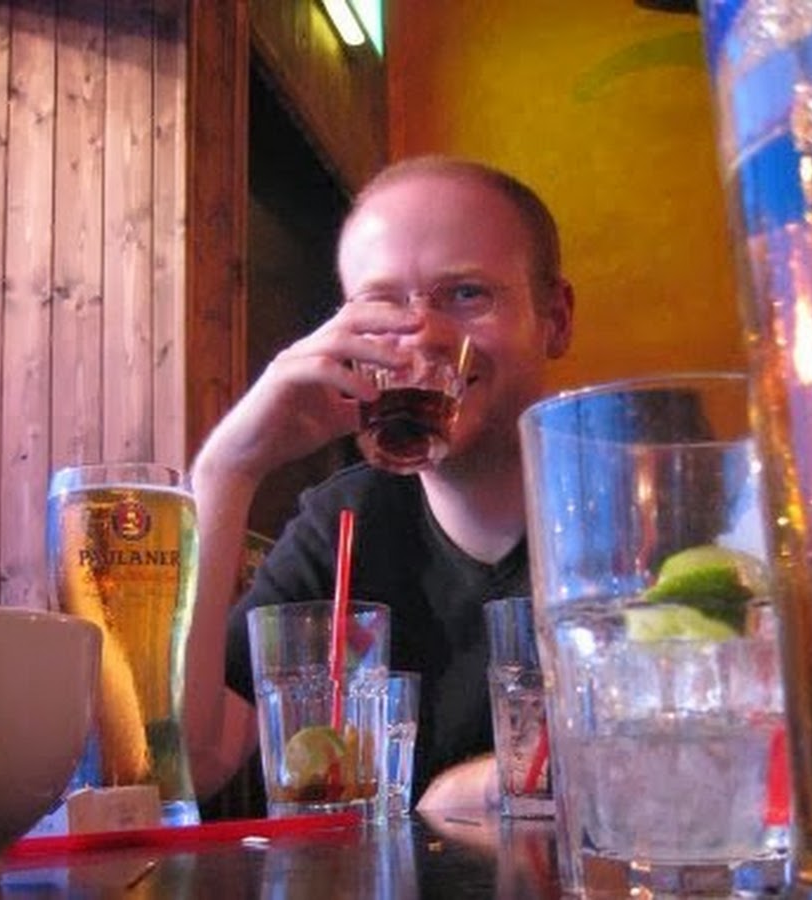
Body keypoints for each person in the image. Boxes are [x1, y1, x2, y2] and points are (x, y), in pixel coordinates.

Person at [184, 155, 574, 812]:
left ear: (555, 318)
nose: (422, 335)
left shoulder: (634, 499)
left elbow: (712, 739)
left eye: (467, 294)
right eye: (383, 304)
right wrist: (225, 471)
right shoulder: (344, 519)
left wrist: (479, 789)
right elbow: (196, 762)